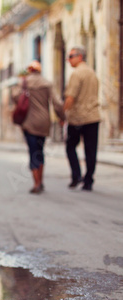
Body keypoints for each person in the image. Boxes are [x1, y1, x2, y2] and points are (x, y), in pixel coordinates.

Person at [12, 60, 65, 194]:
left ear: (29, 70)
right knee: (40, 151)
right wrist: (62, 117)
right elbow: (57, 103)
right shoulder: (46, 83)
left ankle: (36, 183)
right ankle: (40, 181)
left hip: (29, 123)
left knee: (32, 151)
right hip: (43, 122)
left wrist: (22, 84)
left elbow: (15, 97)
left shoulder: (24, 83)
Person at [63, 45, 100, 191]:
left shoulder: (77, 74)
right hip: (93, 116)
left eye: (71, 56)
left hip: (78, 118)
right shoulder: (92, 72)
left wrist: (63, 113)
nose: (68, 60)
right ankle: (88, 180)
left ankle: (76, 175)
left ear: (80, 57)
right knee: (91, 150)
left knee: (70, 147)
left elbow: (70, 98)